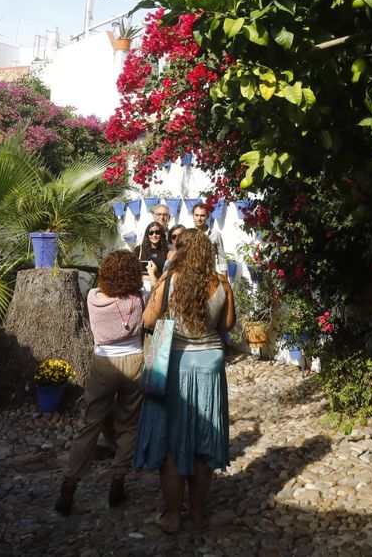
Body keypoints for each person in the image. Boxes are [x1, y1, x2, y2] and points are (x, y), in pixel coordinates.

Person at [134, 228, 235, 534]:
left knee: (173, 444)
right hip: (209, 363)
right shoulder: (220, 284)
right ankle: (199, 515)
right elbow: (227, 324)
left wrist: (164, 277)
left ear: (180, 250)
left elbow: (149, 321)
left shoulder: (168, 281)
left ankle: (174, 516)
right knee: (203, 443)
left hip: (175, 363)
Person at [55, 251, 146, 516]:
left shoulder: (93, 298)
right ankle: (117, 481)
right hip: (134, 362)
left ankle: (68, 488)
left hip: (104, 364)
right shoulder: (139, 299)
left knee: (89, 424)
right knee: (129, 424)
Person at [191, 201, 226, 271]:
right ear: (193, 216)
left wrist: (224, 277)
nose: (199, 219)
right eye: (196, 215)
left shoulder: (215, 234)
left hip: (209, 276)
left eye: (202, 215)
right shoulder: (188, 234)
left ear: (207, 216)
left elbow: (221, 257)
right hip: (191, 276)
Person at [136, 222, 170, 290]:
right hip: (142, 287)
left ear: (161, 234)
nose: (154, 235)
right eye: (151, 233)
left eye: (157, 232)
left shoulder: (167, 251)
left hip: (160, 286)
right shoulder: (139, 250)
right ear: (147, 235)